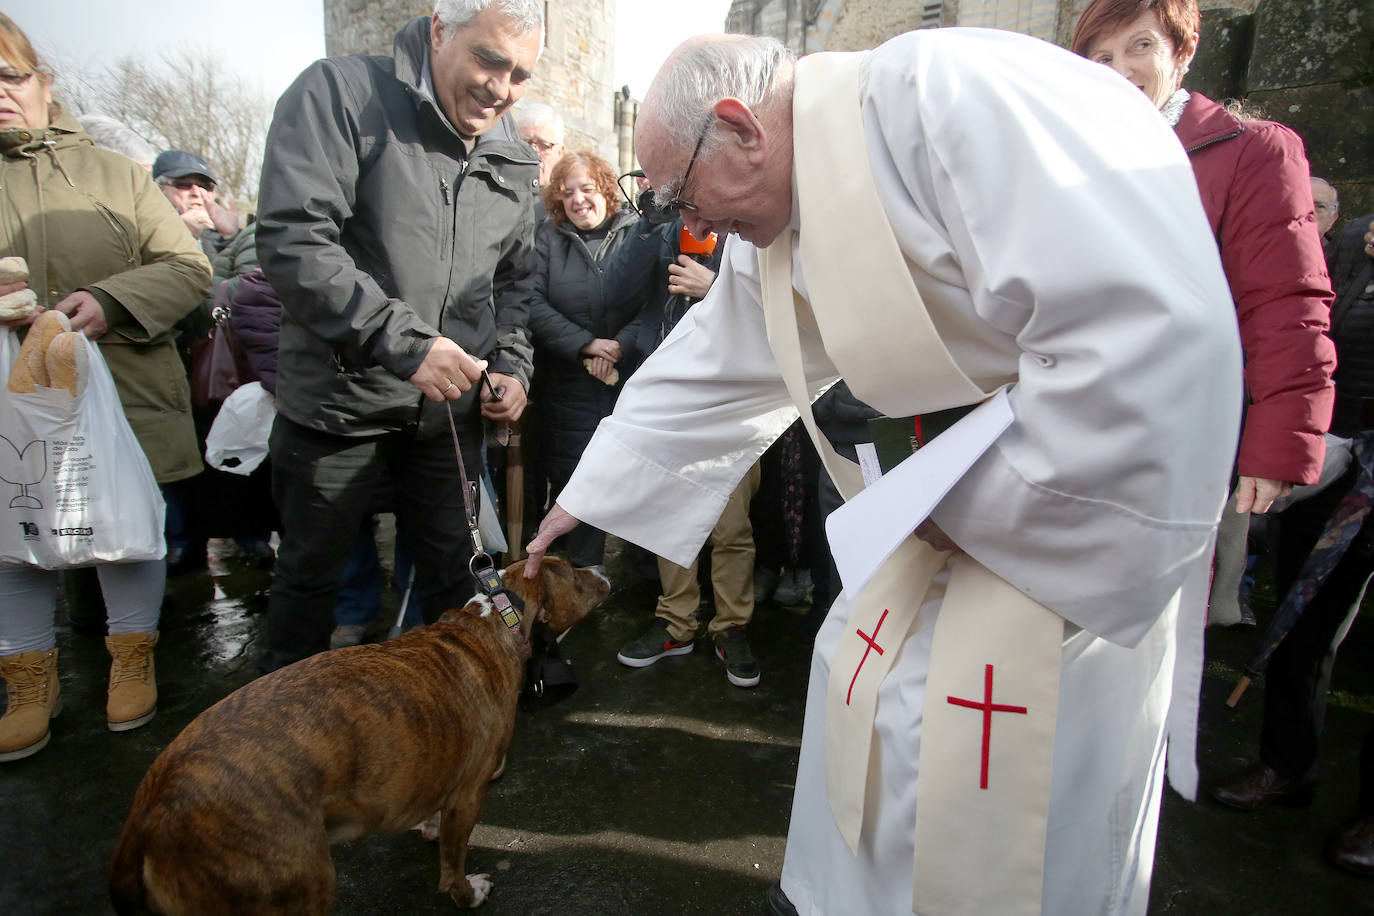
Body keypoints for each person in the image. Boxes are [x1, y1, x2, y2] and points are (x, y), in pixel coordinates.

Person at [524, 28, 1242, 914]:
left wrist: (987, 502)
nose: (692, 228)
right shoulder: (784, 197)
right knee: (860, 693)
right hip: (933, 512)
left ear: (741, 127)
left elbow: (1149, 331)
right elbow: (723, 354)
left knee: (1005, 783)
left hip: (1062, 519)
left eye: (682, 195)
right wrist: (589, 497)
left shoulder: (957, 99)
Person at [252, 0, 539, 673]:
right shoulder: (342, 94)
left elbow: (516, 284)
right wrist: (405, 343)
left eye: (521, 75)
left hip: (446, 419)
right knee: (309, 582)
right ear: (441, 30)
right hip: (337, 407)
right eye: (490, 60)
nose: (501, 89)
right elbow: (295, 239)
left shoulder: (514, 154)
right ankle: (283, 748)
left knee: (455, 578)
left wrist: (514, 365)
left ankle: (456, 726)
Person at [1071, 0, 1337, 629]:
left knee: (1152, 627)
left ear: (1181, 53)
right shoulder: (1073, 160)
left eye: (1140, 46)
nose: (1119, 70)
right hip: (1080, 425)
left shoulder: (1252, 152)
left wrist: (1277, 444)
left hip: (1182, 432)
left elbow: (1286, 303)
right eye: (1100, 57)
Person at [0, 12, 212, 760]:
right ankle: (28, 678)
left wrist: (112, 299)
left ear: (41, 83)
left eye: (10, 75)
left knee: (126, 522)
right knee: (12, 527)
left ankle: (133, 658)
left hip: (117, 378)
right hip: (8, 394)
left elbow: (188, 268)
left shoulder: (115, 174)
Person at [1210, 212, 1374, 875]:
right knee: (1300, 630)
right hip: (1336, 465)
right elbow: (1305, 333)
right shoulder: (1348, 246)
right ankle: (1286, 766)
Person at [152, 147, 271, 573]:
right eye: (183, 185)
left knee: (243, 460)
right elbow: (158, 296)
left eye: (203, 185)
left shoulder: (241, 237)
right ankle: (183, 548)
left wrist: (222, 241)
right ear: (159, 191)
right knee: (178, 468)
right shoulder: (145, 233)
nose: (196, 194)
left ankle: (252, 539)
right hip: (166, 376)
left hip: (229, 376)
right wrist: (180, 239)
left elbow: (246, 292)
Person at [525, 151, 643, 570]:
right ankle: (584, 573)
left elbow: (653, 300)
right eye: (568, 192)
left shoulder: (636, 233)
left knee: (636, 479)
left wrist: (618, 347)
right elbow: (532, 302)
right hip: (570, 385)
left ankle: (642, 574)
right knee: (575, 479)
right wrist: (585, 345)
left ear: (606, 191)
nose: (578, 200)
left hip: (629, 381)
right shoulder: (547, 238)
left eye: (587, 189)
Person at [515, 100, 565, 188]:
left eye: (544, 145)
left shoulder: (568, 199)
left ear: (559, 153)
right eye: (525, 142)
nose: (533, 151)